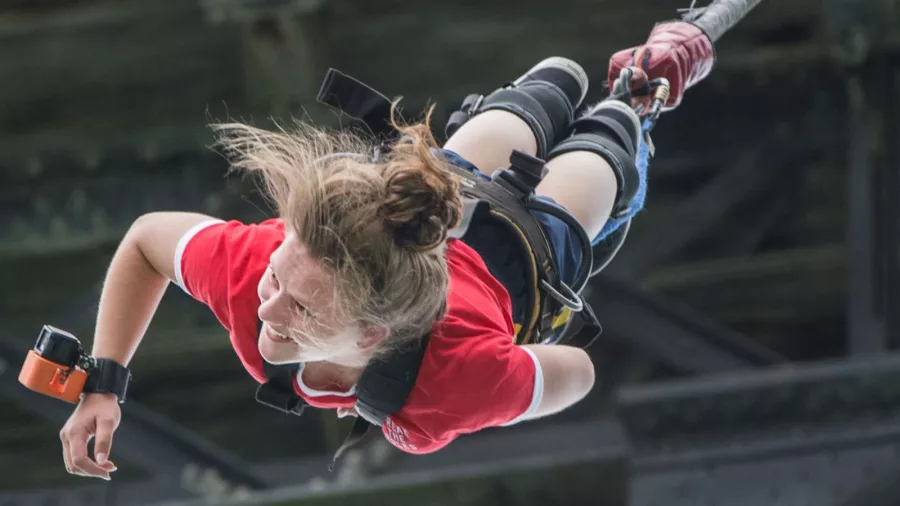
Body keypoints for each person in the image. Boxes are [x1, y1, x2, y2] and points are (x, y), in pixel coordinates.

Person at [57, 19, 716, 480]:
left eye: (301, 307)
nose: (269, 308)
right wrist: (101, 385)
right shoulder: (267, 276)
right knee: (608, 133)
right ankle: (624, 102)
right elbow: (145, 242)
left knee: (539, 114)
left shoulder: (439, 384)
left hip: (452, 202)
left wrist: (103, 378)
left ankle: (579, 96)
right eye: (280, 280)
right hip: (525, 248)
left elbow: (578, 372)